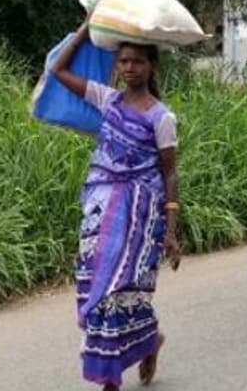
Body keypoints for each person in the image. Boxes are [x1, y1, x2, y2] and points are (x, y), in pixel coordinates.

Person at [51, 21, 181, 390]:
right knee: (97, 285)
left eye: (137, 61)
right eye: (123, 61)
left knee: (123, 288)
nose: (129, 68)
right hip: (99, 209)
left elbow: (170, 173)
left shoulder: (162, 117)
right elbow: (58, 70)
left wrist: (171, 230)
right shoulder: (106, 99)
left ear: (152, 67)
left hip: (140, 213)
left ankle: (117, 373)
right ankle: (147, 342)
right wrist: (86, 26)